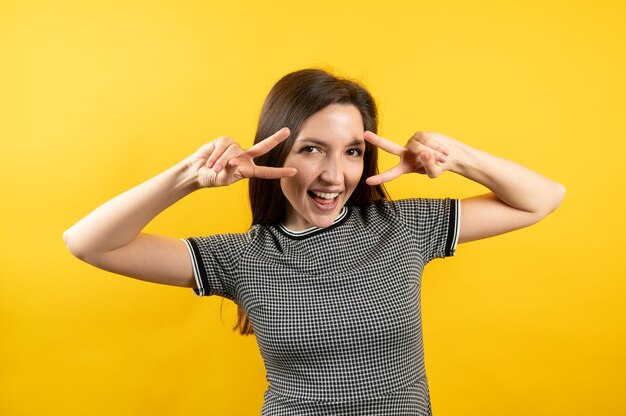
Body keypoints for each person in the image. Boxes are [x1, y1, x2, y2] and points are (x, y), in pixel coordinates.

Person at [63, 68, 565, 415]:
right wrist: (190, 176)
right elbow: (89, 243)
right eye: (312, 150)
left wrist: (457, 157)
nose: (333, 174)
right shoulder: (242, 259)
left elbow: (541, 198)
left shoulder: (403, 227)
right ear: (276, 152)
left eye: (350, 151)